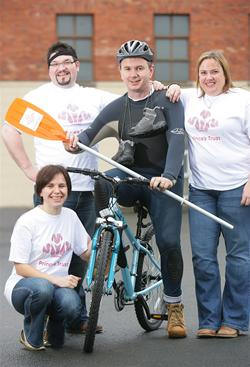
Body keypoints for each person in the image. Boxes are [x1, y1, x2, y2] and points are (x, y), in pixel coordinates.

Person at [1, 41, 166, 334]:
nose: (61, 68)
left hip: (88, 189)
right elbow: (9, 127)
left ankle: (76, 316)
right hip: (52, 192)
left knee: (81, 256)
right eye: (55, 64)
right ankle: (53, 314)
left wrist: (159, 86)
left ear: (77, 66)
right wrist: (28, 168)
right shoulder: (38, 97)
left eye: (67, 62)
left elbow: (132, 99)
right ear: (49, 69)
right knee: (50, 254)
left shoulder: (94, 97)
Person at [66, 40, 187, 338]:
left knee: (170, 241)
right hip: (130, 177)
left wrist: (170, 176)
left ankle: (174, 307)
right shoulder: (117, 106)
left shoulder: (168, 100)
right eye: (128, 68)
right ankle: (110, 240)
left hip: (162, 181)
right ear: (120, 72)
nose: (134, 74)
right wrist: (71, 142)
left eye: (140, 68)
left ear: (150, 69)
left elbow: (177, 141)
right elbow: (87, 135)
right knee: (102, 180)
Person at [168, 50, 250, 338]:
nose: (209, 77)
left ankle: (235, 321)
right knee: (203, 258)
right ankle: (209, 321)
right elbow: (158, 91)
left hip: (238, 189)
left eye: (214, 71)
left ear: (225, 73)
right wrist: (170, 87)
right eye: (204, 72)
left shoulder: (243, 100)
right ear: (197, 76)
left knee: (239, 258)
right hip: (202, 191)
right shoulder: (191, 98)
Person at [4, 165, 92, 350]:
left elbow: (85, 253)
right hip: (25, 288)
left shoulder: (70, 216)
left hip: (56, 288)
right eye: (50, 186)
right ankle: (31, 335)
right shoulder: (28, 221)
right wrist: (56, 279)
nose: (57, 191)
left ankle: (52, 333)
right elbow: (21, 267)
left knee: (72, 305)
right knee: (43, 289)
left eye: (62, 186)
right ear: (40, 191)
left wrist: (101, 243)